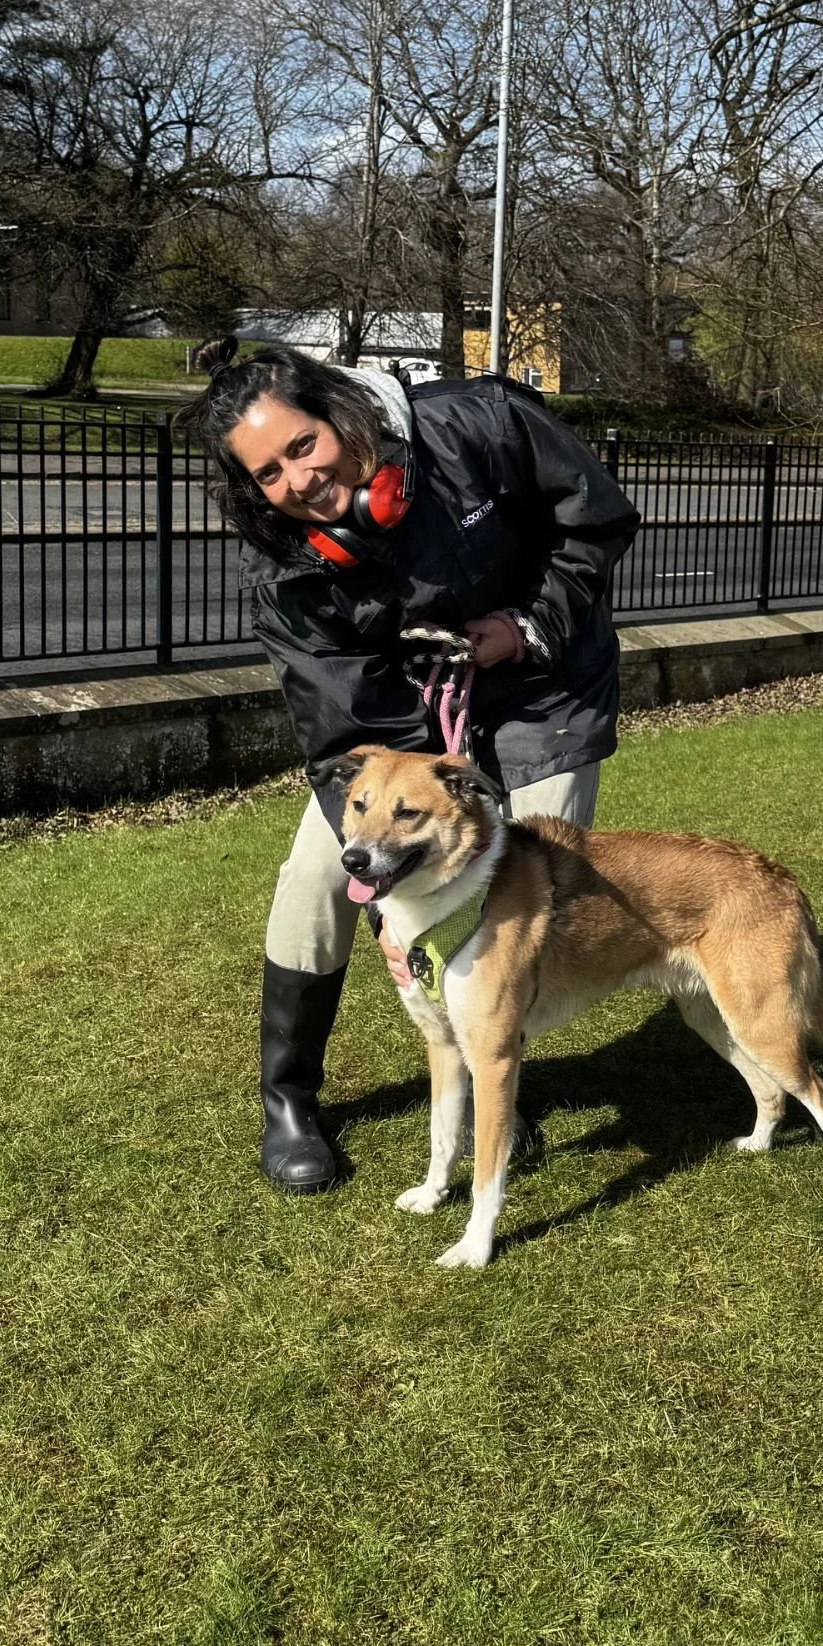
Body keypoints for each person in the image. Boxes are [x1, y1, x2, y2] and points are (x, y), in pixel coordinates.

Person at [190, 338, 640, 1193]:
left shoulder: (482, 425)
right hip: (396, 727)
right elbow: (342, 725)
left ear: (337, 414)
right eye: (267, 475)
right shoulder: (286, 571)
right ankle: (287, 1100)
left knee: (525, 876)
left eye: (301, 445)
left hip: (543, 685)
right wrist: (393, 854)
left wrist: (529, 623)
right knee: (319, 875)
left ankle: (494, 1074)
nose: (297, 481)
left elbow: (596, 518)